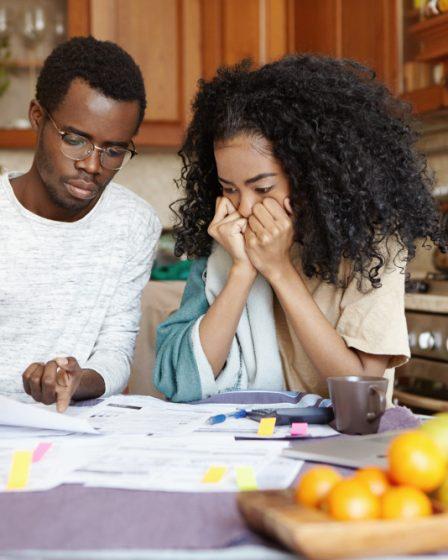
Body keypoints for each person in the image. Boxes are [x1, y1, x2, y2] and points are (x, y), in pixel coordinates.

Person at [154, 54, 445, 403]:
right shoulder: (227, 243)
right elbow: (180, 381)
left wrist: (279, 270)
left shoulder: (374, 246)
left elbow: (363, 394)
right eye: (229, 188)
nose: (244, 208)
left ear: (310, 177)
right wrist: (242, 271)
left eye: (263, 188)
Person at [0, 36, 161, 411]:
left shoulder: (134, 223)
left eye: (114, 150)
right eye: (75, 140)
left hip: (72, 425)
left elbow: (116, 350)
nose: (92, 165)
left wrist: (77, 380)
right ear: (37, 117)